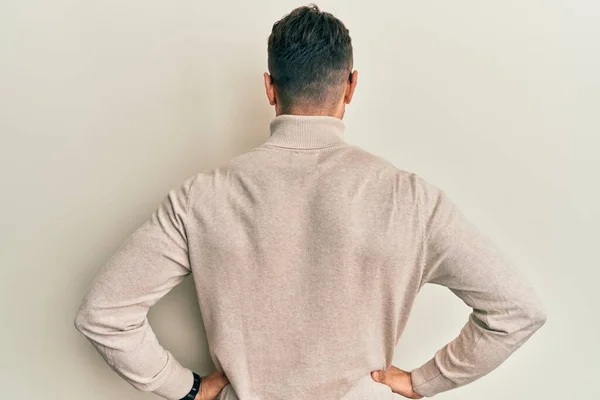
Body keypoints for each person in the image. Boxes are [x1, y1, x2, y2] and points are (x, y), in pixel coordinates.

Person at [74, 4, 547, 400]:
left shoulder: (201, 197)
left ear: (270, 87)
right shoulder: (410, 198)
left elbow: (104, 315)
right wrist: (425, 381)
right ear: (351, 85)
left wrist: (185, 387)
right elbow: (517, 310)